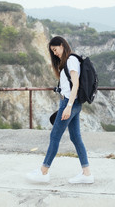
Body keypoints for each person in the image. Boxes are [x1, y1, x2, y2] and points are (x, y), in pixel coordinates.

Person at [26, 36, 94, 184]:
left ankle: (43, 172)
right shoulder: (68, 61)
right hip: (72, 103)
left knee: (55, 136)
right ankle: (87, 173)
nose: (55, 53)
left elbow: (75, 85)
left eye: (55, 49)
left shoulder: (71, 60)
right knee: (75, 138)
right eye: (53, 51)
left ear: (62, 45)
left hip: (69, 104)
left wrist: (68, 107)